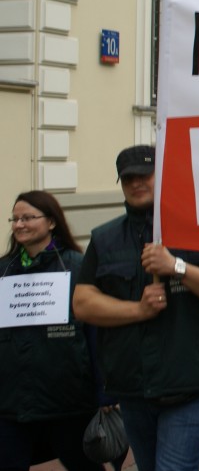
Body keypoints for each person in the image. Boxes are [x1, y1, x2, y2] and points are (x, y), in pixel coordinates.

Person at [72, 145, 199, 471]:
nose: (136, 183)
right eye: (128, 178)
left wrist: (177, 266)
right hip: (133, 390)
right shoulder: (104, 239)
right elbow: (82, 303)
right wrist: (138, 310)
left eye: (145, 175)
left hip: (191, 386)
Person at [0, 191, 104, 471]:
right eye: (15, 219)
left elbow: (95, 334)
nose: (19, 224)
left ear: (51, 222)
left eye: (28, 218)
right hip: (11, 402)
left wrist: (104, 392)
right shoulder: (4, 270)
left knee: (83, 465)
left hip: (67, 401)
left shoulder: (77, 266)